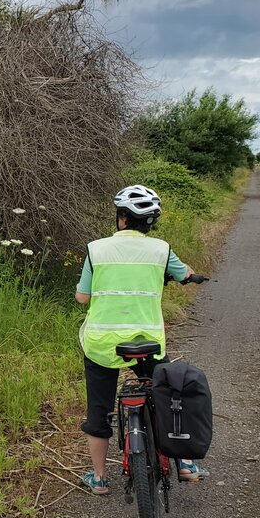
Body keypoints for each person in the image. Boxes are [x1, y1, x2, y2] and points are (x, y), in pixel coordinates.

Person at [74, 184, 208, 495]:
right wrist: (188, 275)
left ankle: (99, 479)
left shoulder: (96, 249)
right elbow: (183, 274)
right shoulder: (162, 249)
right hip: (148, 341)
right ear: (150, 222)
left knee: (98, 408)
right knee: (168, 394)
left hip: (101, 343)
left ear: (121, 218)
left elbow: (82, 297)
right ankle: (186, 463)